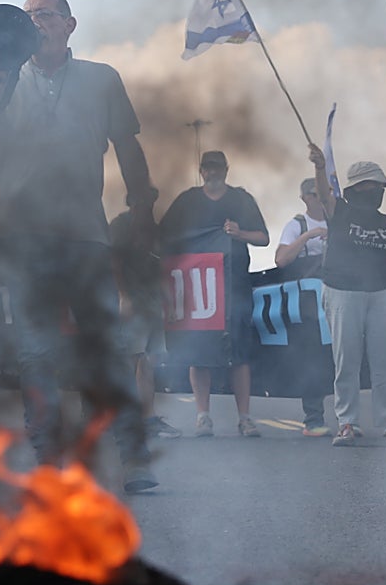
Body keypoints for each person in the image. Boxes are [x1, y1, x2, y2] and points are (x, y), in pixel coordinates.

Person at [0, 0, 157, 493]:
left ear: (70, 24)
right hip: (25, 238)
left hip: (86, 234)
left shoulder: (101, 78)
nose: (36, 22)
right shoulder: (0, 79)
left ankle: (131, 458)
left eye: (45, 14)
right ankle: (48, 456)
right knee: (34, 351)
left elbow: (128, 146)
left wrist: (142, 208)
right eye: (28, 16)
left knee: (106, 349)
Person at [158, 150, 269, 439]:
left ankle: (245, 418)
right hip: (199, 288)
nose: (213, 173)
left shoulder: (241, 199)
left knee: (240, 351)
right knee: (199, 351)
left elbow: (264, 238)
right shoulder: (186, 201)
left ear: (226, 170)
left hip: (236, 289)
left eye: (218, 168)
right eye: (208, 168)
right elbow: (162, 238)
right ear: (201, 171)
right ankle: (202, 416)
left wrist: (239, 233)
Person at [308, 148, 386, 448]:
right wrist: (320, 167)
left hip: (381, 293)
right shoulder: (339, 210)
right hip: (342, 292)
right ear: (355, 188)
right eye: (370, 184)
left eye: (378, 185)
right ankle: (346, 422)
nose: (376, 189)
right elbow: (324, 193)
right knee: (346, 360)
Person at [109, 210, 181, 441]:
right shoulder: (121, 225)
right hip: (133, 304)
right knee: (130, 360)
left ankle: (148, 419)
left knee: (148, 361)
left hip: (152, 305)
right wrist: (123, 296)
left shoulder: (154, 229)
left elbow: (158, 270)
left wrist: (169, 301)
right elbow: (114, 263)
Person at [274, 178, 330, 437]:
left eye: (323, 193)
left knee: (343, 356)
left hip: (338, 296)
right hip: (308, 305)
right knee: (312, 358)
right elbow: (282, 260)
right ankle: (313, 418)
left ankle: (349, 419)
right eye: (313, 194)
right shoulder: (296, 225)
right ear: (304, 198)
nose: (319, 198)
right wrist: (308, 236)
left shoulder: (338, 221)